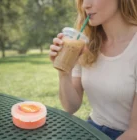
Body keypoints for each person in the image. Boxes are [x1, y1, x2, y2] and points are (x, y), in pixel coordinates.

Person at [49, 0, 137, 140]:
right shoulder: (85, 43)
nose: (85, 5)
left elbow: (135, 132)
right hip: (92, 128)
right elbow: (71, 107)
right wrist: (64, 72)